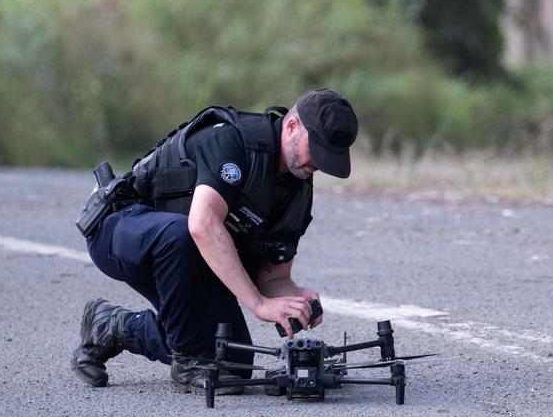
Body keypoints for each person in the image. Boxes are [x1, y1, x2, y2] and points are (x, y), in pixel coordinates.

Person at [70, 88, 359, 393]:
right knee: (180, 234)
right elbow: (202, 226)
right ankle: (187, 362)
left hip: (186, 260)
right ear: (292, 126)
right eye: (317, 150)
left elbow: (273, 276)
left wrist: (295, 298)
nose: (320, 164)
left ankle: (113, 327)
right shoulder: (233, 141)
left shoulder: (297, 190)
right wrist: (258, 304)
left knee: (232, 363)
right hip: (121, 230)